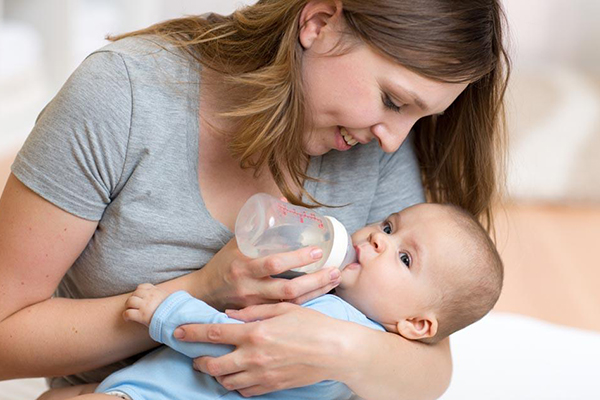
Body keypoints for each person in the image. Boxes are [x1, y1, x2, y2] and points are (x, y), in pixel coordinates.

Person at [0, 1, 510, 400]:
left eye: (418, 117)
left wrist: (338, 349)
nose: (395, 140)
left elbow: (428, 365)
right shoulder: (124, 96)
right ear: (319, 23)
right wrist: (202, 289)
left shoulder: (371, 144)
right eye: (393, 100)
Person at [54, 203, 504, 400]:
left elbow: (234, 341)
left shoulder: (335, 321)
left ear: (416, 324)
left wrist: (164, 311)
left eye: (405, 258)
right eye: (388, 226)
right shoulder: (339, 309)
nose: (378, 240)